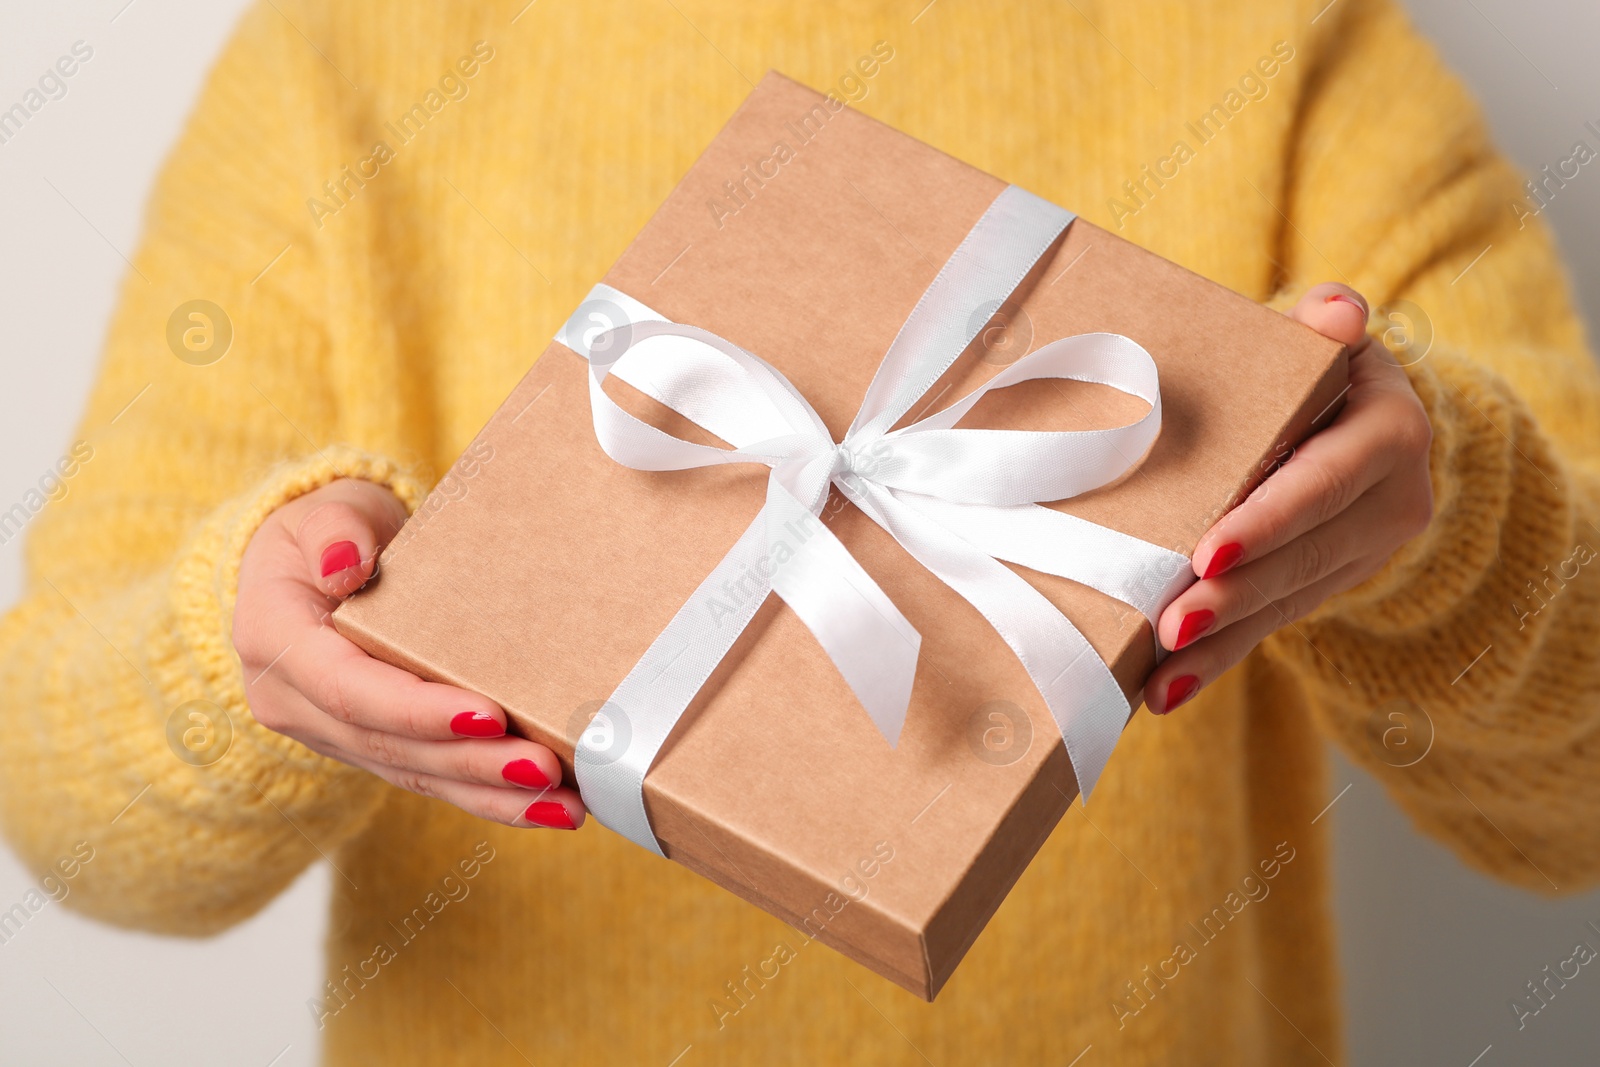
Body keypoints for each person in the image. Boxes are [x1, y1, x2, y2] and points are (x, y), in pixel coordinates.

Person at [2, 0, 1596, 1063]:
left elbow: (1579, 809)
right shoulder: (351, 56)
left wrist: (1450, 516)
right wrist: (243, 652)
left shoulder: (1291, 44)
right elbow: (60, 796)